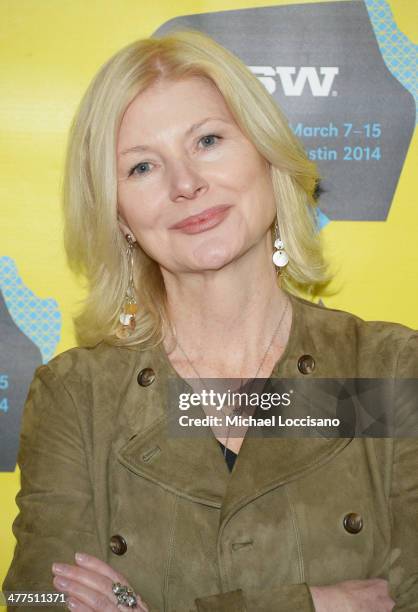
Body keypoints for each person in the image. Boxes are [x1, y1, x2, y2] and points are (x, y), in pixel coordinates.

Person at [3, 28, 417, 612]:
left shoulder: (388, 370)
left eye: (209, 140)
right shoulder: (79, 396)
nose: (186, 184)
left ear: (268, 157)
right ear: (119, 215)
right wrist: (314, 604)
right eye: (143, 167)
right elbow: (35, 600)